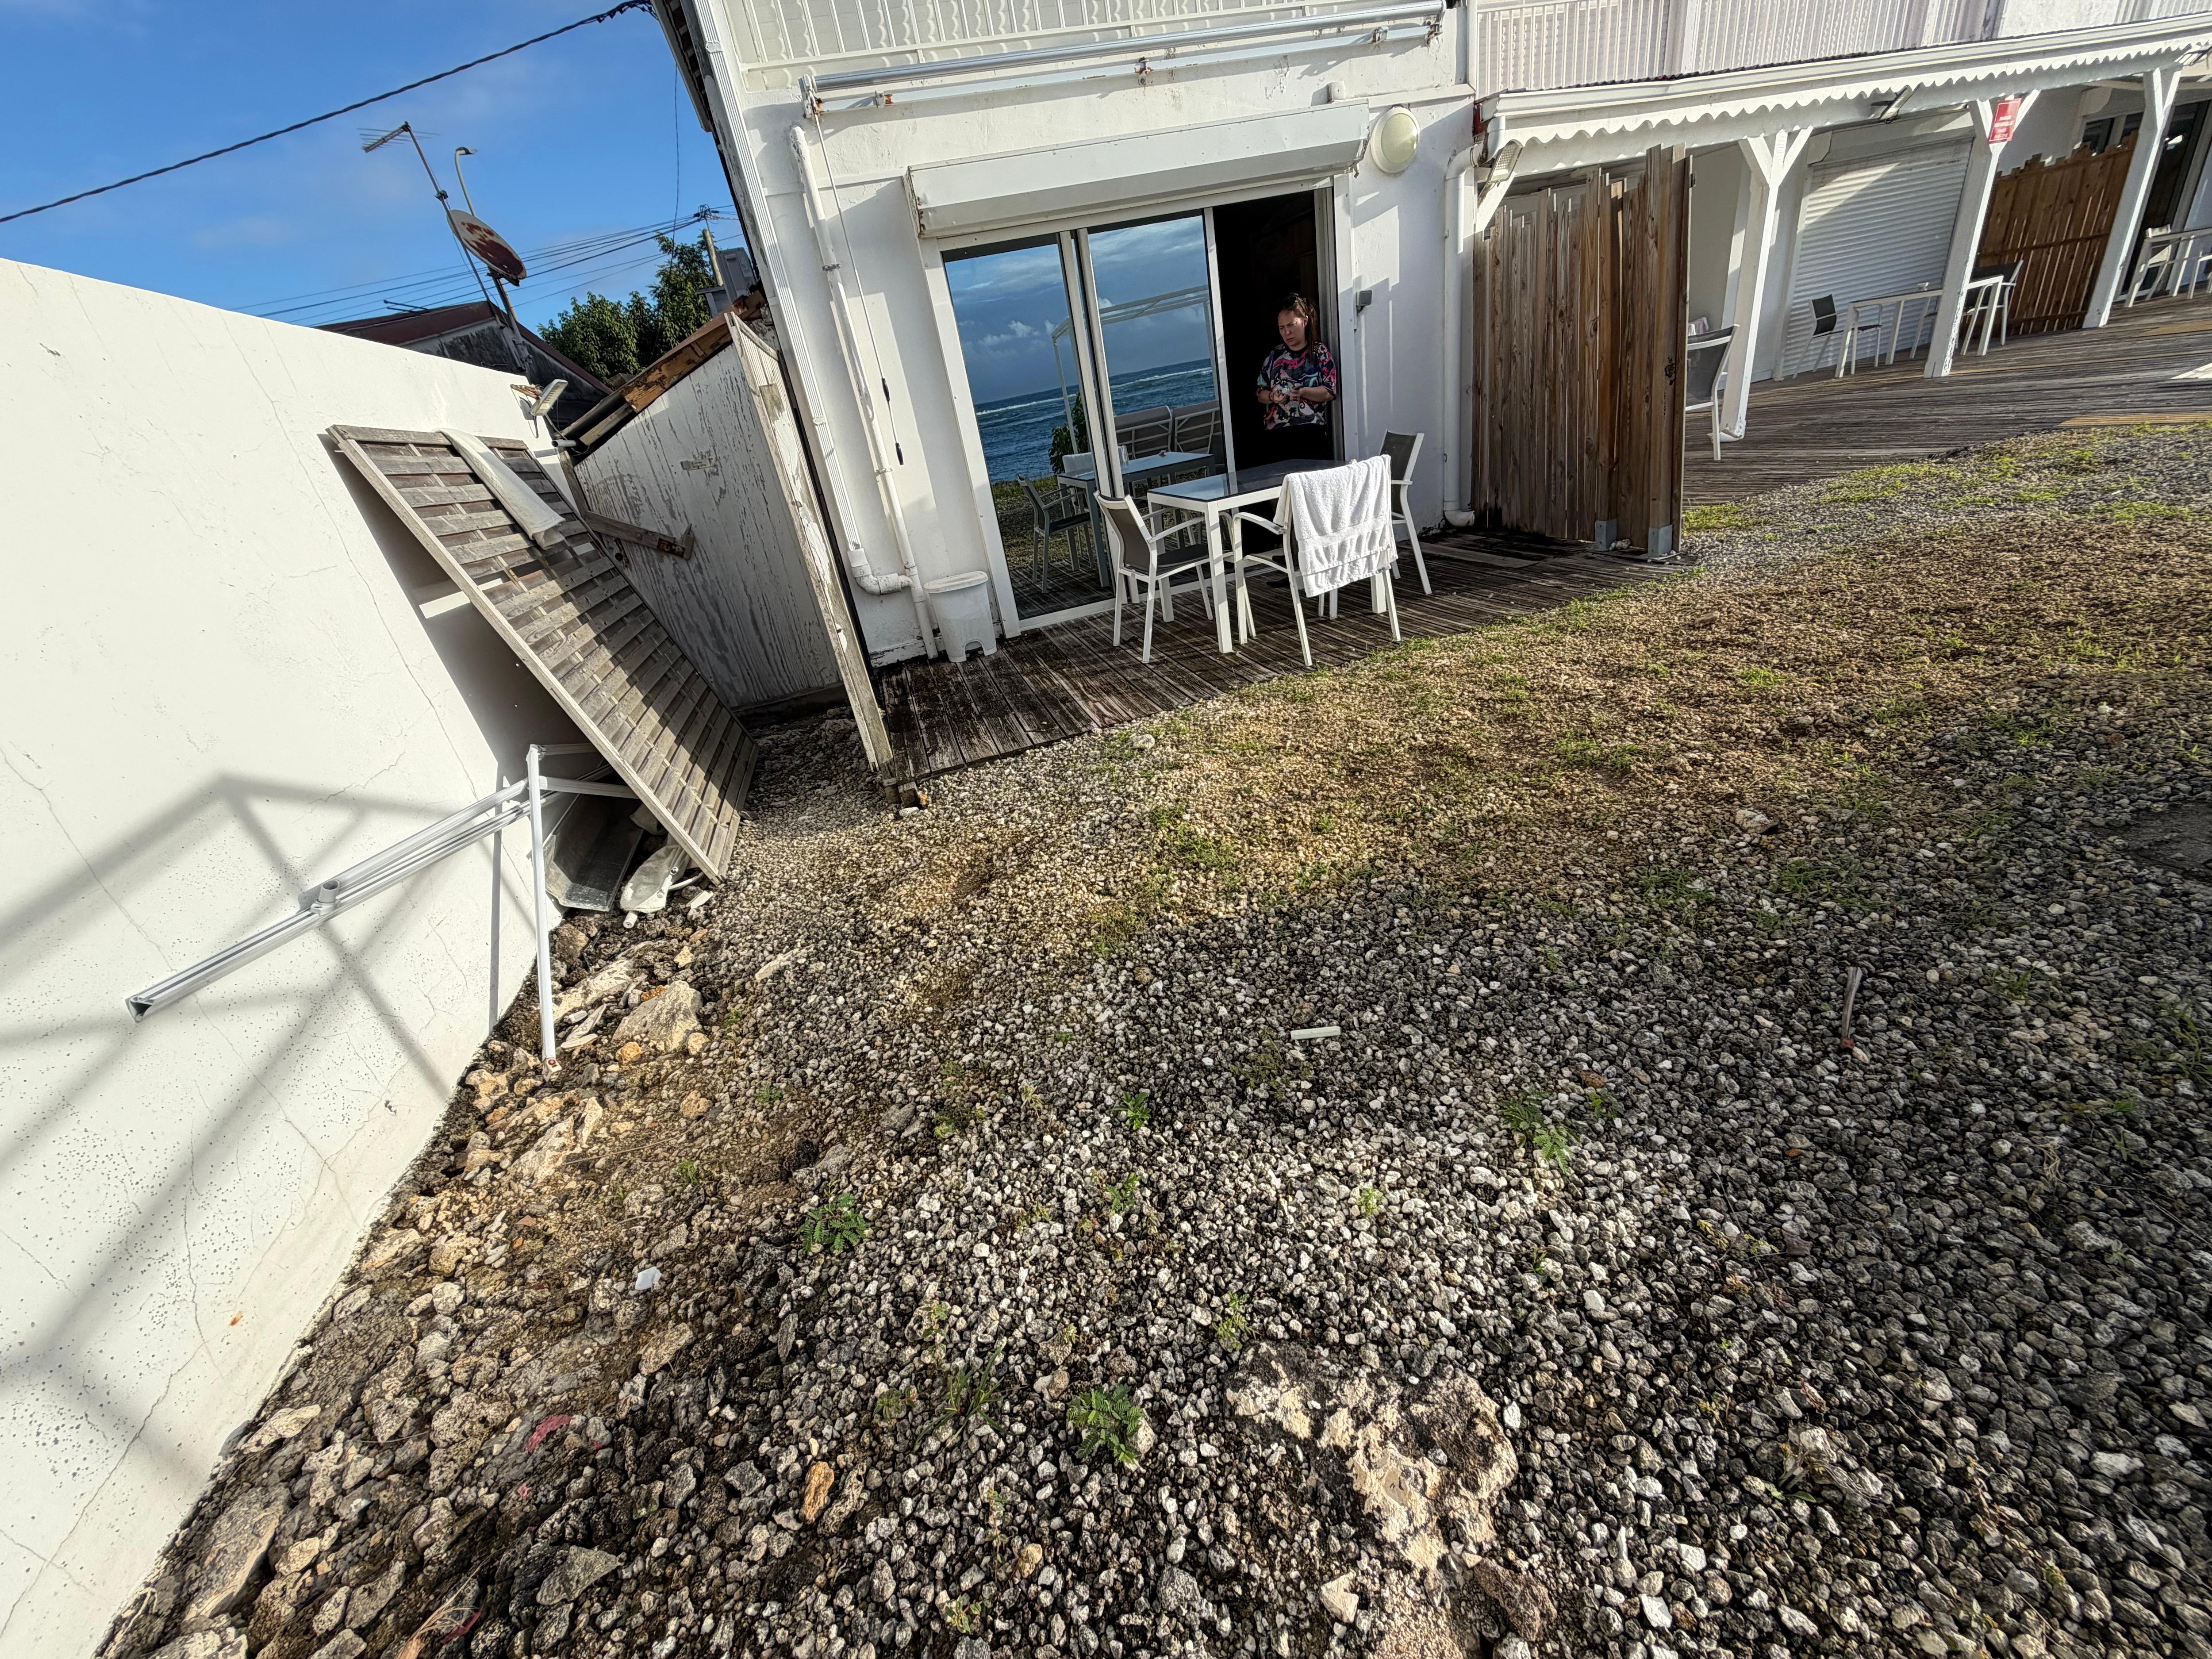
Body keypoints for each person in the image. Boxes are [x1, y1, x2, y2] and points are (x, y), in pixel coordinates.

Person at [1253, 293, 1337, 466]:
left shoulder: (1319, 353)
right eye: (1282, 328)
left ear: (1305, 322)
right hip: (1278, 435)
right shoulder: (1274, 356)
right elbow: (1259, 392)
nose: (1287, 332)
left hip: (1311, 434)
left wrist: (1304, 392)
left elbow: (1330, 391)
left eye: (1291, 325)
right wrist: (1272, 397)